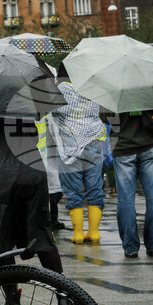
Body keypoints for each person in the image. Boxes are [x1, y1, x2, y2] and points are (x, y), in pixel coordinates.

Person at [0, 117, 77, 305]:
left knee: (0, 241)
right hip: (31, 172)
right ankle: (63, 297)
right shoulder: (22, 101)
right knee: (41, 234)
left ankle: (12, 302)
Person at [50, 69, 106, 243]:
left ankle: (78, 234)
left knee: (73, 191)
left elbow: (51, 111)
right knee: (95, 188)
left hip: (70, 147)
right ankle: (94, 232)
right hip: (94, 142)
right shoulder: (93, 89)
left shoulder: (62, 90)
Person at [113, 103, 153, 257]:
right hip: (149, 147)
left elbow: (104, 117)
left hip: (123, 148)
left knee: (125, 200)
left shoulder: (113, 88)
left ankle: (130, 248)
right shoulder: (150, 86)